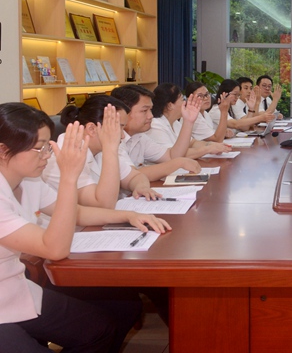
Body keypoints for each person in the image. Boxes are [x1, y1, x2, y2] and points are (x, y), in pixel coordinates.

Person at [0, 103, 170, 352]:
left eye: (48, 146)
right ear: (3, 151)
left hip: (15, 288)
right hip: (6, 297)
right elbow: (54, 248)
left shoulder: (28, 181)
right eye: (40, 148)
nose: (46, 155)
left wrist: (128, 215)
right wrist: (69, 177)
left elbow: (75, 212)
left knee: (100, 327)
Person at [42, 96, 160, 208]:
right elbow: (103, 204)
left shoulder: (100, 150)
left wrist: (141, 187)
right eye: (118, 128)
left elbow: (135, 176)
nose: (123, 136)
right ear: (92, 129)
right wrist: (110, 149)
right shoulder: (60, 159)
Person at [111, 85, 201, 181]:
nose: (151, 116)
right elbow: (131, 175)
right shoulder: (112, 139)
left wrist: (188, 122)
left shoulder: (139, 136)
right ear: (123, 112)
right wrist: (178, 163)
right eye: (144, 110)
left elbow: (171, 156)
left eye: (150, 110)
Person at [147, 83, 231, 158]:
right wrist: (208, 149)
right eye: (182, 100)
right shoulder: (155, 126)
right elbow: (174, 155)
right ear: (170, 106)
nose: (186, 103)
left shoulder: (175, 123)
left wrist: (212, 145)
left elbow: (192, 143)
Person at [211, 79, 276, 132]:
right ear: (224, 93)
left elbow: (245, 127)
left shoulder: (229, 108)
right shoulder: (216, 110)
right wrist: (261, 117)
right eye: (235, 94)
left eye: (238, 95)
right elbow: (236, 124)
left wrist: (251, 109)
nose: (237, 97)